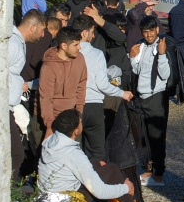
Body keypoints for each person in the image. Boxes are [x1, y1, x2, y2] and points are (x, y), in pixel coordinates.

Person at [37, 109, 161, 202]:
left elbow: (69, 165)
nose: (82, 123)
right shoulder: (73, 154)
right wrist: (126, 188)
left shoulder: (50, 141)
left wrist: (95, 163)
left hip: (48, 198)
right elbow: (100, 191)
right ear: (76, 131)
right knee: (112, 170)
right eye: (80, 122)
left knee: (98, 166)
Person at [70, 15, 132, 162]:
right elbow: (103, 85)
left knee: (73, 149)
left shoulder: (68, 52)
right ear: (84, 33)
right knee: (97, 152)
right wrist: (122, 93)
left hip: (73, 105)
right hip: (94, 107)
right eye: (92, 32)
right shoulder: (97, 54)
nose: (93, 36)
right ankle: (96, 181)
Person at [130, 16, 171, 188]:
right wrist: (132, 57)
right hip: (141, 97)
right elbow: (138, 70)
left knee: (157, 137)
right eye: (145, 32)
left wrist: (161, 54)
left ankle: (159, 173)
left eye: (151, 31)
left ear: (157, 30)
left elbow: (165, 74)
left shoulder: (163, 45)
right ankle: (147, 169)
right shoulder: (141, 46)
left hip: (156, 97)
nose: (149, 35)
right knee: (144, 137)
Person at [8, 9, 47, 181]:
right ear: (32, 27)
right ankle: (12, 198)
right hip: (5, 106)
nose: (42, 35)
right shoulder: (13, 44)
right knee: (16, 155)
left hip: (9, 105)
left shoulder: (17, 42)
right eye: (41, 30)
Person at [39, 26, 88, 139]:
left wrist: (79, 116)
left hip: (71, 117)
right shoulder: (48, 66)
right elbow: (46, 98)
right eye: (75, 45)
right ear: (64, 46)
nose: (79, 47)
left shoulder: (80, 59)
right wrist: (50, 125)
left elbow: (81, 87)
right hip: (52, 119)